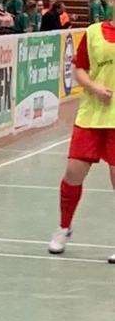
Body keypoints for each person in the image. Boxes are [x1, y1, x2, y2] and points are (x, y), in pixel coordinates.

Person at [49, 18, 115, 259]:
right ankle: (63, 228)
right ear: (112, 1)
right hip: (91, 116)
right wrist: (95, 88)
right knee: (73, 173)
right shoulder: (94, 32)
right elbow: (79, 69)